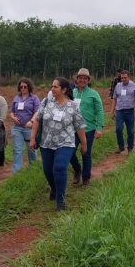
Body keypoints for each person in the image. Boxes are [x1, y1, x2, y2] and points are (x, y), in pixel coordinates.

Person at [29, 77, 87, 211]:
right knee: (48, 171)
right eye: (52, 86)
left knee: (60, 168)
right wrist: (32, 138)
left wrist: (84, 144)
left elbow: (80, 127)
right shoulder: (47, 102)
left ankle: (60, 200)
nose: (52, 89)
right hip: (46, 143)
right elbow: (37, 120)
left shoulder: (73, 106)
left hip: (65, 142)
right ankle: (54, 189)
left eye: (55, 87)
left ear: (64, 90)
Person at [69, 68, 104, 187]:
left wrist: (99, 128)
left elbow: (99, 111)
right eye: (80, 78)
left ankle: (86, 178)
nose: (82, 80)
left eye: (85, 78)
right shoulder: (72, 93)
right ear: (76, 79)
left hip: (88, 129)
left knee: (86, 153)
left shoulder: (94, 94)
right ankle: (77, 169)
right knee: (70, 152)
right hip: (73, 129)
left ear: (88, 80)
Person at [10, 78, 41, 173]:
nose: (23, 88)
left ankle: (33, 169)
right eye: (21, 87)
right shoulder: (16, 98)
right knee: (17, 150)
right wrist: (13, 118)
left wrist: (32, 121)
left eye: (25, 87)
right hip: (17, 128)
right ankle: (16, 172)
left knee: (31, 149)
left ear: (29, 87)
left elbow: (38, 111)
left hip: (30, 128)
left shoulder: (34, 98)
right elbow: (12, 112)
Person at [112, 70, 135, 154]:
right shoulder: (117, 86)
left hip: (130, 111)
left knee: (130, 131)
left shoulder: (133, 85)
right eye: (122, 77)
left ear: (129, 77)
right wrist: (112, 111)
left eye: (125, 77)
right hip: (119, 110)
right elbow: (114, 99)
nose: (123, 79)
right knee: (118, 129)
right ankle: (121, 147)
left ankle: (130, 148)